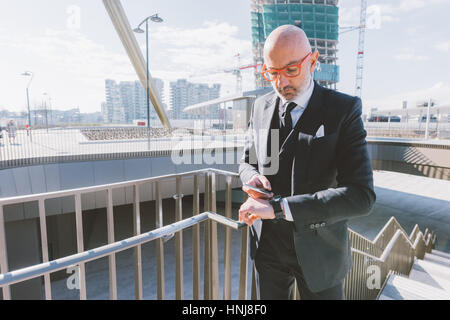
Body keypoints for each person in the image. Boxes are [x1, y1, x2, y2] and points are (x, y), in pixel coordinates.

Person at [238, 25, 376, 300]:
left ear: (313, 61)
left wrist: (280, 208)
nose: (281, 83)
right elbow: (247, 162)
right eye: (272, 73)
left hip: (320, 251)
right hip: (268, 249)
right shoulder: (261, 106)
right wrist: (250, 177)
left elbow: (361, 196)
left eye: (290, 70)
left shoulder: (344, 109)